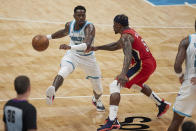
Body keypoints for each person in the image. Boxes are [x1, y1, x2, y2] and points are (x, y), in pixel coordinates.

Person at [87, 14, 171, 131]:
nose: (113, 27)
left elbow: (127, 56)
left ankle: (112, 121)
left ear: (119, 25)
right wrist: (98, 48)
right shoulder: (127, 33)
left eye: (114, 25)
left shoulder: (126, 37)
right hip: (148, 62)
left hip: (142, 64)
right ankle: (162, 105)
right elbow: (116, 45)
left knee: (115, 85)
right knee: (137, 85)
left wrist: (123, 74)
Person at [45, 5, 105, 111]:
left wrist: (70, 47)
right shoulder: (69, 25)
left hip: (88, 59)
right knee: (64, 70)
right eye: (79, 15)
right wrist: (48, 37)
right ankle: (53, 91)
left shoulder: (89, 27)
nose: (81, 17)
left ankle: (96, 99)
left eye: (83, 15)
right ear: (74, 16)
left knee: (98, 89)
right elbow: (63, 32)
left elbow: (86, 45)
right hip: (73, 55)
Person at [168, 20, 196, 131]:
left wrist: (180, 75)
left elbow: (177, 66)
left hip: (190, 83)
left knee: (176, 121)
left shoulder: (186, 41)